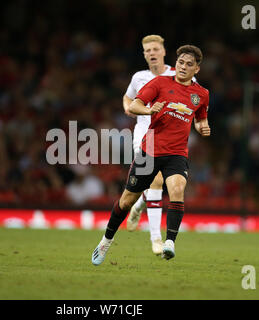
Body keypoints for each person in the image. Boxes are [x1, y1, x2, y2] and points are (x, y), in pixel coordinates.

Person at [92, 45, 211, 265]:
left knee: (177, 189)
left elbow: (200, 120)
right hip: (151, 150)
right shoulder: (160, 83)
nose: (183, 67)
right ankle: (105, 241)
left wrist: (203, 127)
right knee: (126, 201)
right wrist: (149, 110)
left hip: (177, 154)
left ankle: (169, 243)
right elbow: (135, 105)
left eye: (189, 64)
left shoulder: (202, 94)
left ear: (197, 69)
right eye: (180, 62)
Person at [123, 35, 174, 256]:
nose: (152, 53)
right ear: (144, 55)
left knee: (158, 184)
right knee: (156, 179)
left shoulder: (177, 74)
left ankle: (138, 206)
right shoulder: (139, 77)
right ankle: (156, 239)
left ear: (163, 51)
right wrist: (128, 107)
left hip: (172, 136)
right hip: (145, 134)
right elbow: (127, 97)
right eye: (147, 50)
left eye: (155, 49)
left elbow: (197, 97)